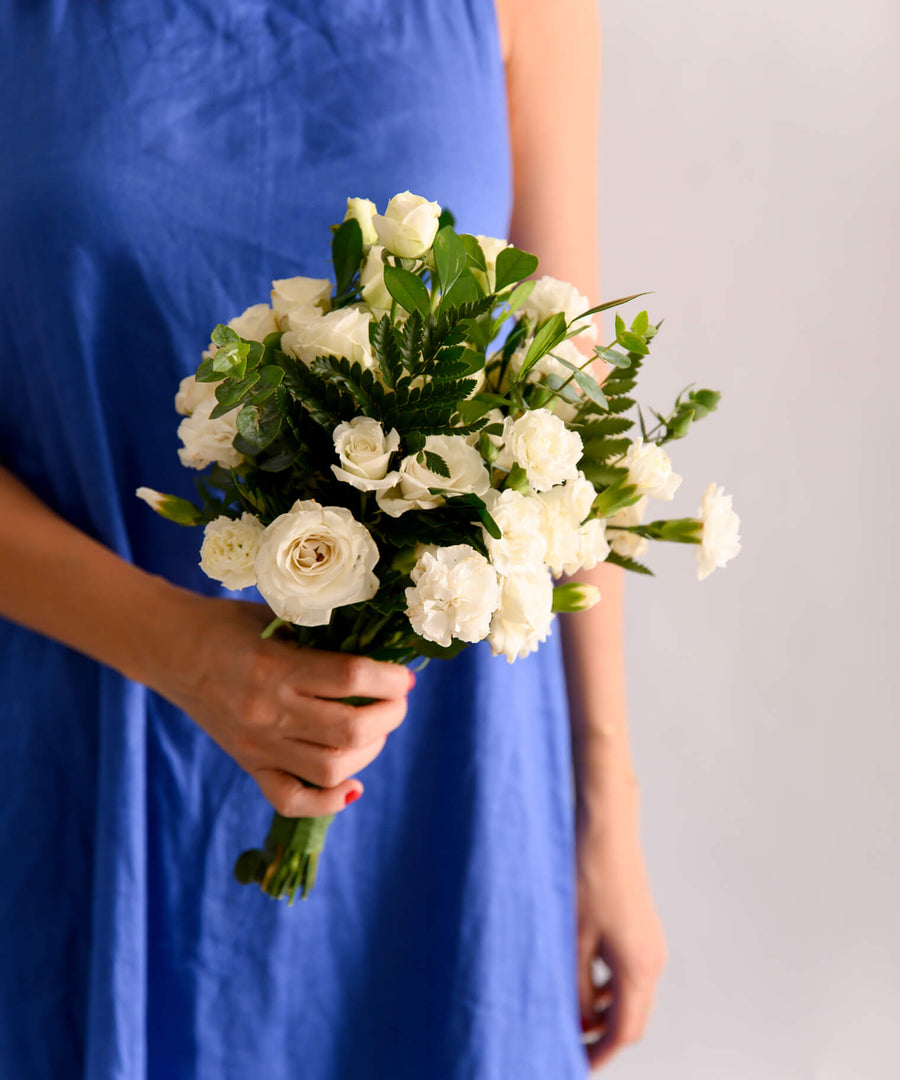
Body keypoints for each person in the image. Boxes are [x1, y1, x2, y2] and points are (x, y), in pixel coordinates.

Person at [0, 0, 666, 1076]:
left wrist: (608, 810)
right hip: (86, 751)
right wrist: (182, 651)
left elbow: (563, 394)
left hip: (448, 783)